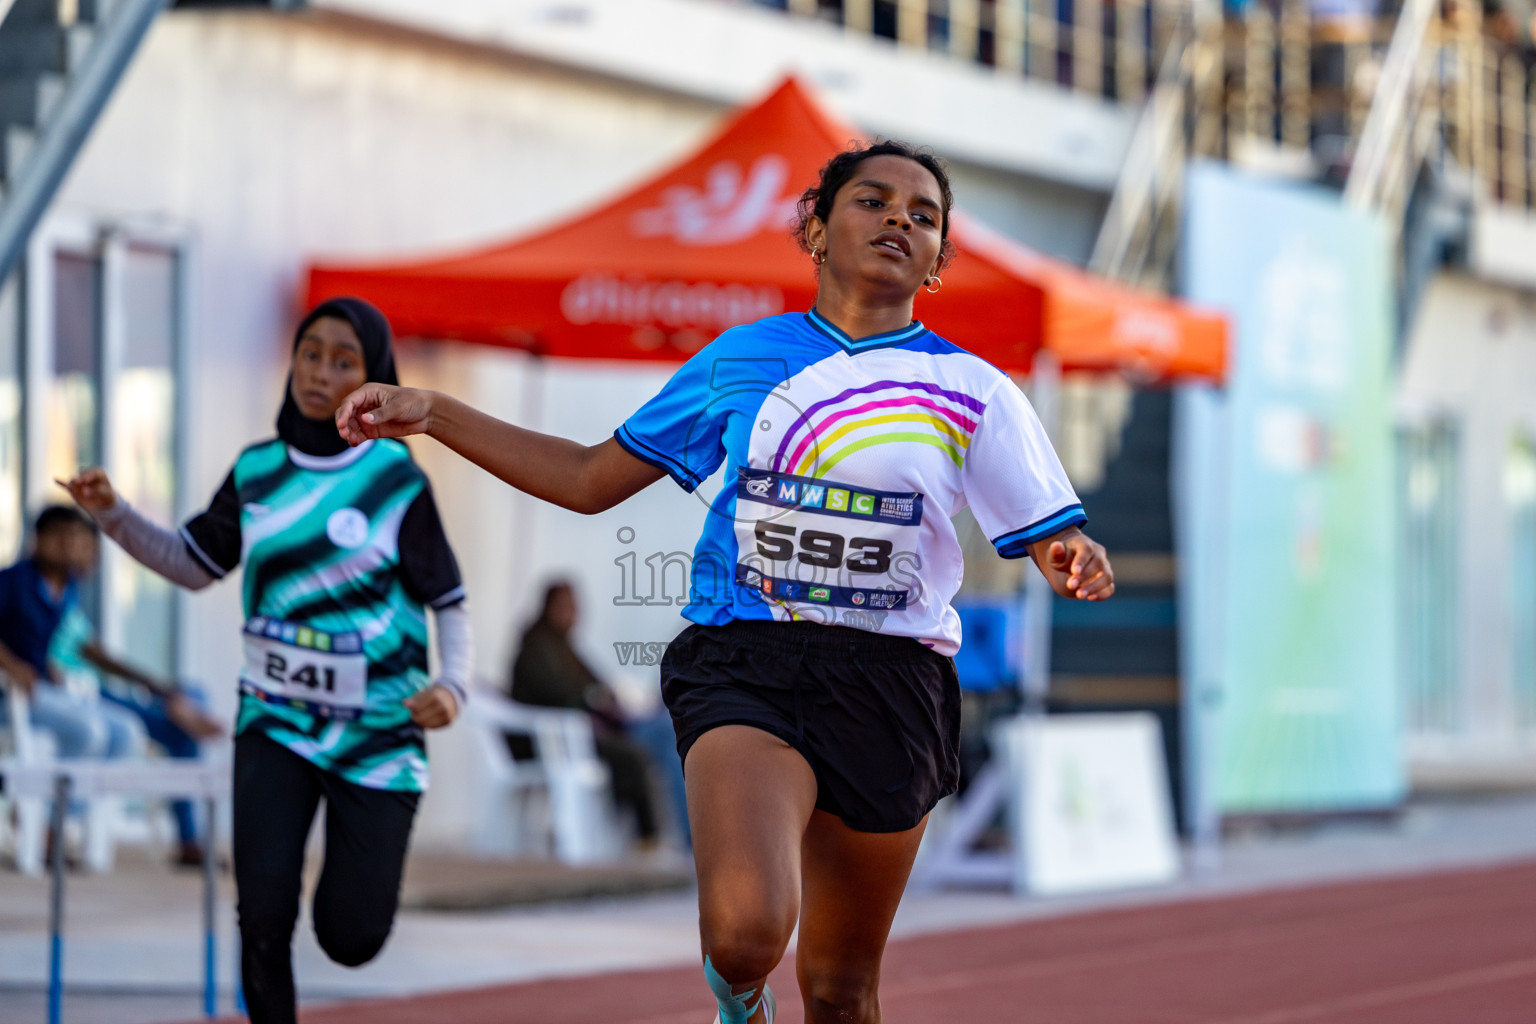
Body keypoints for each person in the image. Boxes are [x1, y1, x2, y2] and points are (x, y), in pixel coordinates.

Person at [335, 142, 1115, 1024]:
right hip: (745, 661)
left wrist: (1071, 554)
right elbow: (590, 479)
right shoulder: (740, 358)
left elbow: (1053, 528)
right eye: (872, 201)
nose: (900, 218)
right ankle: (741, 1004)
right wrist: (435, 413)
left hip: (894, 684)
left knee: (842, 989)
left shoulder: (976, 392)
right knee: (746, 933)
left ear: (937, 263)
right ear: (815, 231)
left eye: (924, 214)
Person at [62, 298, 473, 1024]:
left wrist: (454, 685)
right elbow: (192, 565)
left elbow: (450, 595)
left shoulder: (394, 478)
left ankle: (350, 892)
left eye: (342, 360)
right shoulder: (257, 471)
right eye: (309, 353)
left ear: (372, 375)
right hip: (273, 722)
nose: (320, 373)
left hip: (377, 734)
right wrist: (114, 514)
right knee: (261, 916)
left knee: (350, 937)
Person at [509, 581, 660, 846]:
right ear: (549, 607)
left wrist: (603, 698)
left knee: (642, 745)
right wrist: (592, 700)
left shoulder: (564, 646)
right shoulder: (537, 646)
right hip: (546, 742)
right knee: (632, 756)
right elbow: (556, 692)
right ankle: (645, 840)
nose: (571, 614)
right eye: (565, 607)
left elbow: (597, 683)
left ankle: (633, 839)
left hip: (570, 738)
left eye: (574, 608)